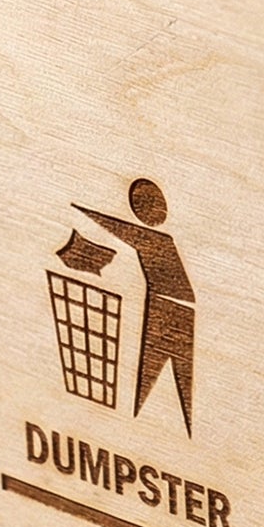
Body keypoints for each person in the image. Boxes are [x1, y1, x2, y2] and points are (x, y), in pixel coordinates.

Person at [75, 178, 195, 433]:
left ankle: (155, 426)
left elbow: (125, 232)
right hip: (173, 305)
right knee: (161, 382)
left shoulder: (159, 241)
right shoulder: (161, 241)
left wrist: (88, 214)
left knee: (168, 381)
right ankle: (146, 427)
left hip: (171, 308)